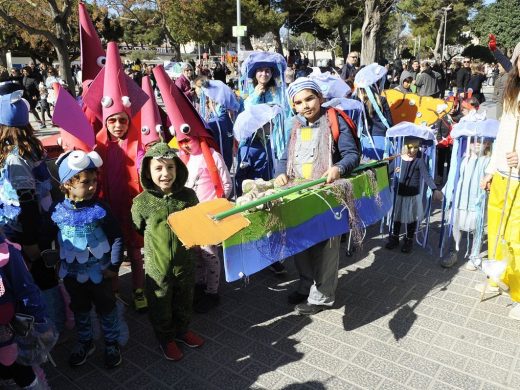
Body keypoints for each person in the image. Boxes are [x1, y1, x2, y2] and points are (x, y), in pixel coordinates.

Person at [274, 78, 360, 315]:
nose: (305, 105)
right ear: (294, 106)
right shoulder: (295, 125)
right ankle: (305, 285)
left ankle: (322, 296)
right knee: (299, 243)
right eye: (299, 102)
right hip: (299, 195)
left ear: (320, 98)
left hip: (327, 197)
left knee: (325, 249)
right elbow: (284, 158)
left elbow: (352, 155)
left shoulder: (335, 120)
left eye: (309, 98)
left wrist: (338, 168)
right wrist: (281, 174)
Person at [83, 42, 149, 312]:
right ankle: (112, 289)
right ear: (105, 122)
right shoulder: (99, 148)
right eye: (112, 121)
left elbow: (146, 170)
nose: (118, 125)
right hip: (108, 210)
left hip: (133, 210)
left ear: (128, 120)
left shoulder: (139, 146)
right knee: (112, 252)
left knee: (135, 253)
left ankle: (139, 289)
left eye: (122, 120)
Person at [0, 86, 65, 334]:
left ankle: (49, 331)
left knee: (38, 279)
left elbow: (26, 202)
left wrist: (29, 241)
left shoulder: (16, 158)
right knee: (43, 277)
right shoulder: (29, 147)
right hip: (36, 224)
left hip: (25, 230)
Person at [131, 142, 204, 360]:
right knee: (160, 302)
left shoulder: (188, 196)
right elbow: (138, 227)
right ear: (147, 171)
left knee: (184, 299)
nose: (165, 174)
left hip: (185, 262)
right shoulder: (142, 202)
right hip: (158, 266)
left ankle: (182, 331)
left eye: (170, 167)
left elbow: (197, 222)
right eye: (159, 168)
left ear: (178, 168)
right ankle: (166, 338)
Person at [51, 150, 123, 368]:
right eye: (85, 182)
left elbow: (117, 235)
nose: (92, 186)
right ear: (67, 185)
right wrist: (53, 263)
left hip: (100, 272)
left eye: (94, 180)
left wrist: (114, 265)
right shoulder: (58, 211)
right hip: (72, 273)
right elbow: (52, 240)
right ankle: (85, 341)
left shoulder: (101, 208)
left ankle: (111, 342)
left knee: (106, 307)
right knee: (80, 308)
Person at [479, 42, 520, 320]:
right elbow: (503, 134)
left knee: (516, 237)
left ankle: (519, 292)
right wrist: (491, 169)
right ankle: (498, 275)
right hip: (503, 173)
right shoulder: (511, 90)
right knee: (496, 229)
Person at [178, 134, 232, 312]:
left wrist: (217, 207)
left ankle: (212, 292)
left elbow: (226, 183)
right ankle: (200, 285)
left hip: (208, 215)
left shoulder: (212, 155)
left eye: (188, 140)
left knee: (209, 253)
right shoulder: (185, 157)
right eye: (181, 142)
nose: (185, 145)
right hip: (191, 214)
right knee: (197, 252)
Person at [0, 233, 57, 390]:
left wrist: (39, 322)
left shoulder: (7, 253)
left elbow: (27, 291)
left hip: (7, 333)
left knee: (20, 371)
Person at [386, 138, 443, 253]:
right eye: (410, 147)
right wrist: (394, 171)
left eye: (416, 147)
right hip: (399, 193)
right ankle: (395, 237)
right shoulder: (398, 159)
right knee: (397, 217)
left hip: (412, 195)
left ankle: (409, 240)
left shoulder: (419, 159)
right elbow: (387, 172)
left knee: (411, 218)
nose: (413, 150)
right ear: (405, 146)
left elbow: (426, 176)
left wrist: (434, 189)